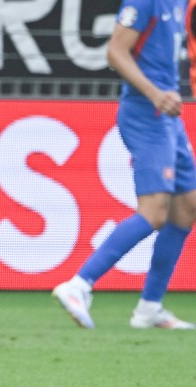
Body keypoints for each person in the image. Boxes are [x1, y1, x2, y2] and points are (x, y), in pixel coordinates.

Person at [53, 0, 196, 330]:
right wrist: (154, 93)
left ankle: (150, 307)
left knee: (186, 207)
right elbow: (116, 52)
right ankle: (79, 285)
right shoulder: (144, 1)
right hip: (146, 113)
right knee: (154, 210)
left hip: (169, 116)